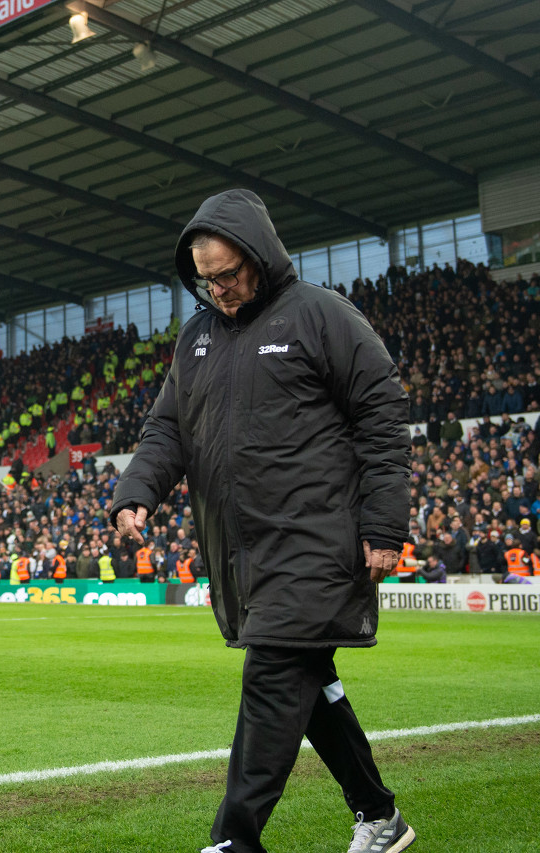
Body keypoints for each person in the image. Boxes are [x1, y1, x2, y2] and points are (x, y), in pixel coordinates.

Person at [111, 190, 415, 853]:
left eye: (229, 273)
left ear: (258, 255)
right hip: (244, 550)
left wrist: (385, 525)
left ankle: (234, 841)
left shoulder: (320, 315)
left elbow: (382, 415)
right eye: (206, 278)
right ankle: (381, 816)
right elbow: (167, 429)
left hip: (318, 541)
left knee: (275, 674)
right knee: (310, 679)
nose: (219, 289)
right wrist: (137, 492)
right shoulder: (195, 340)